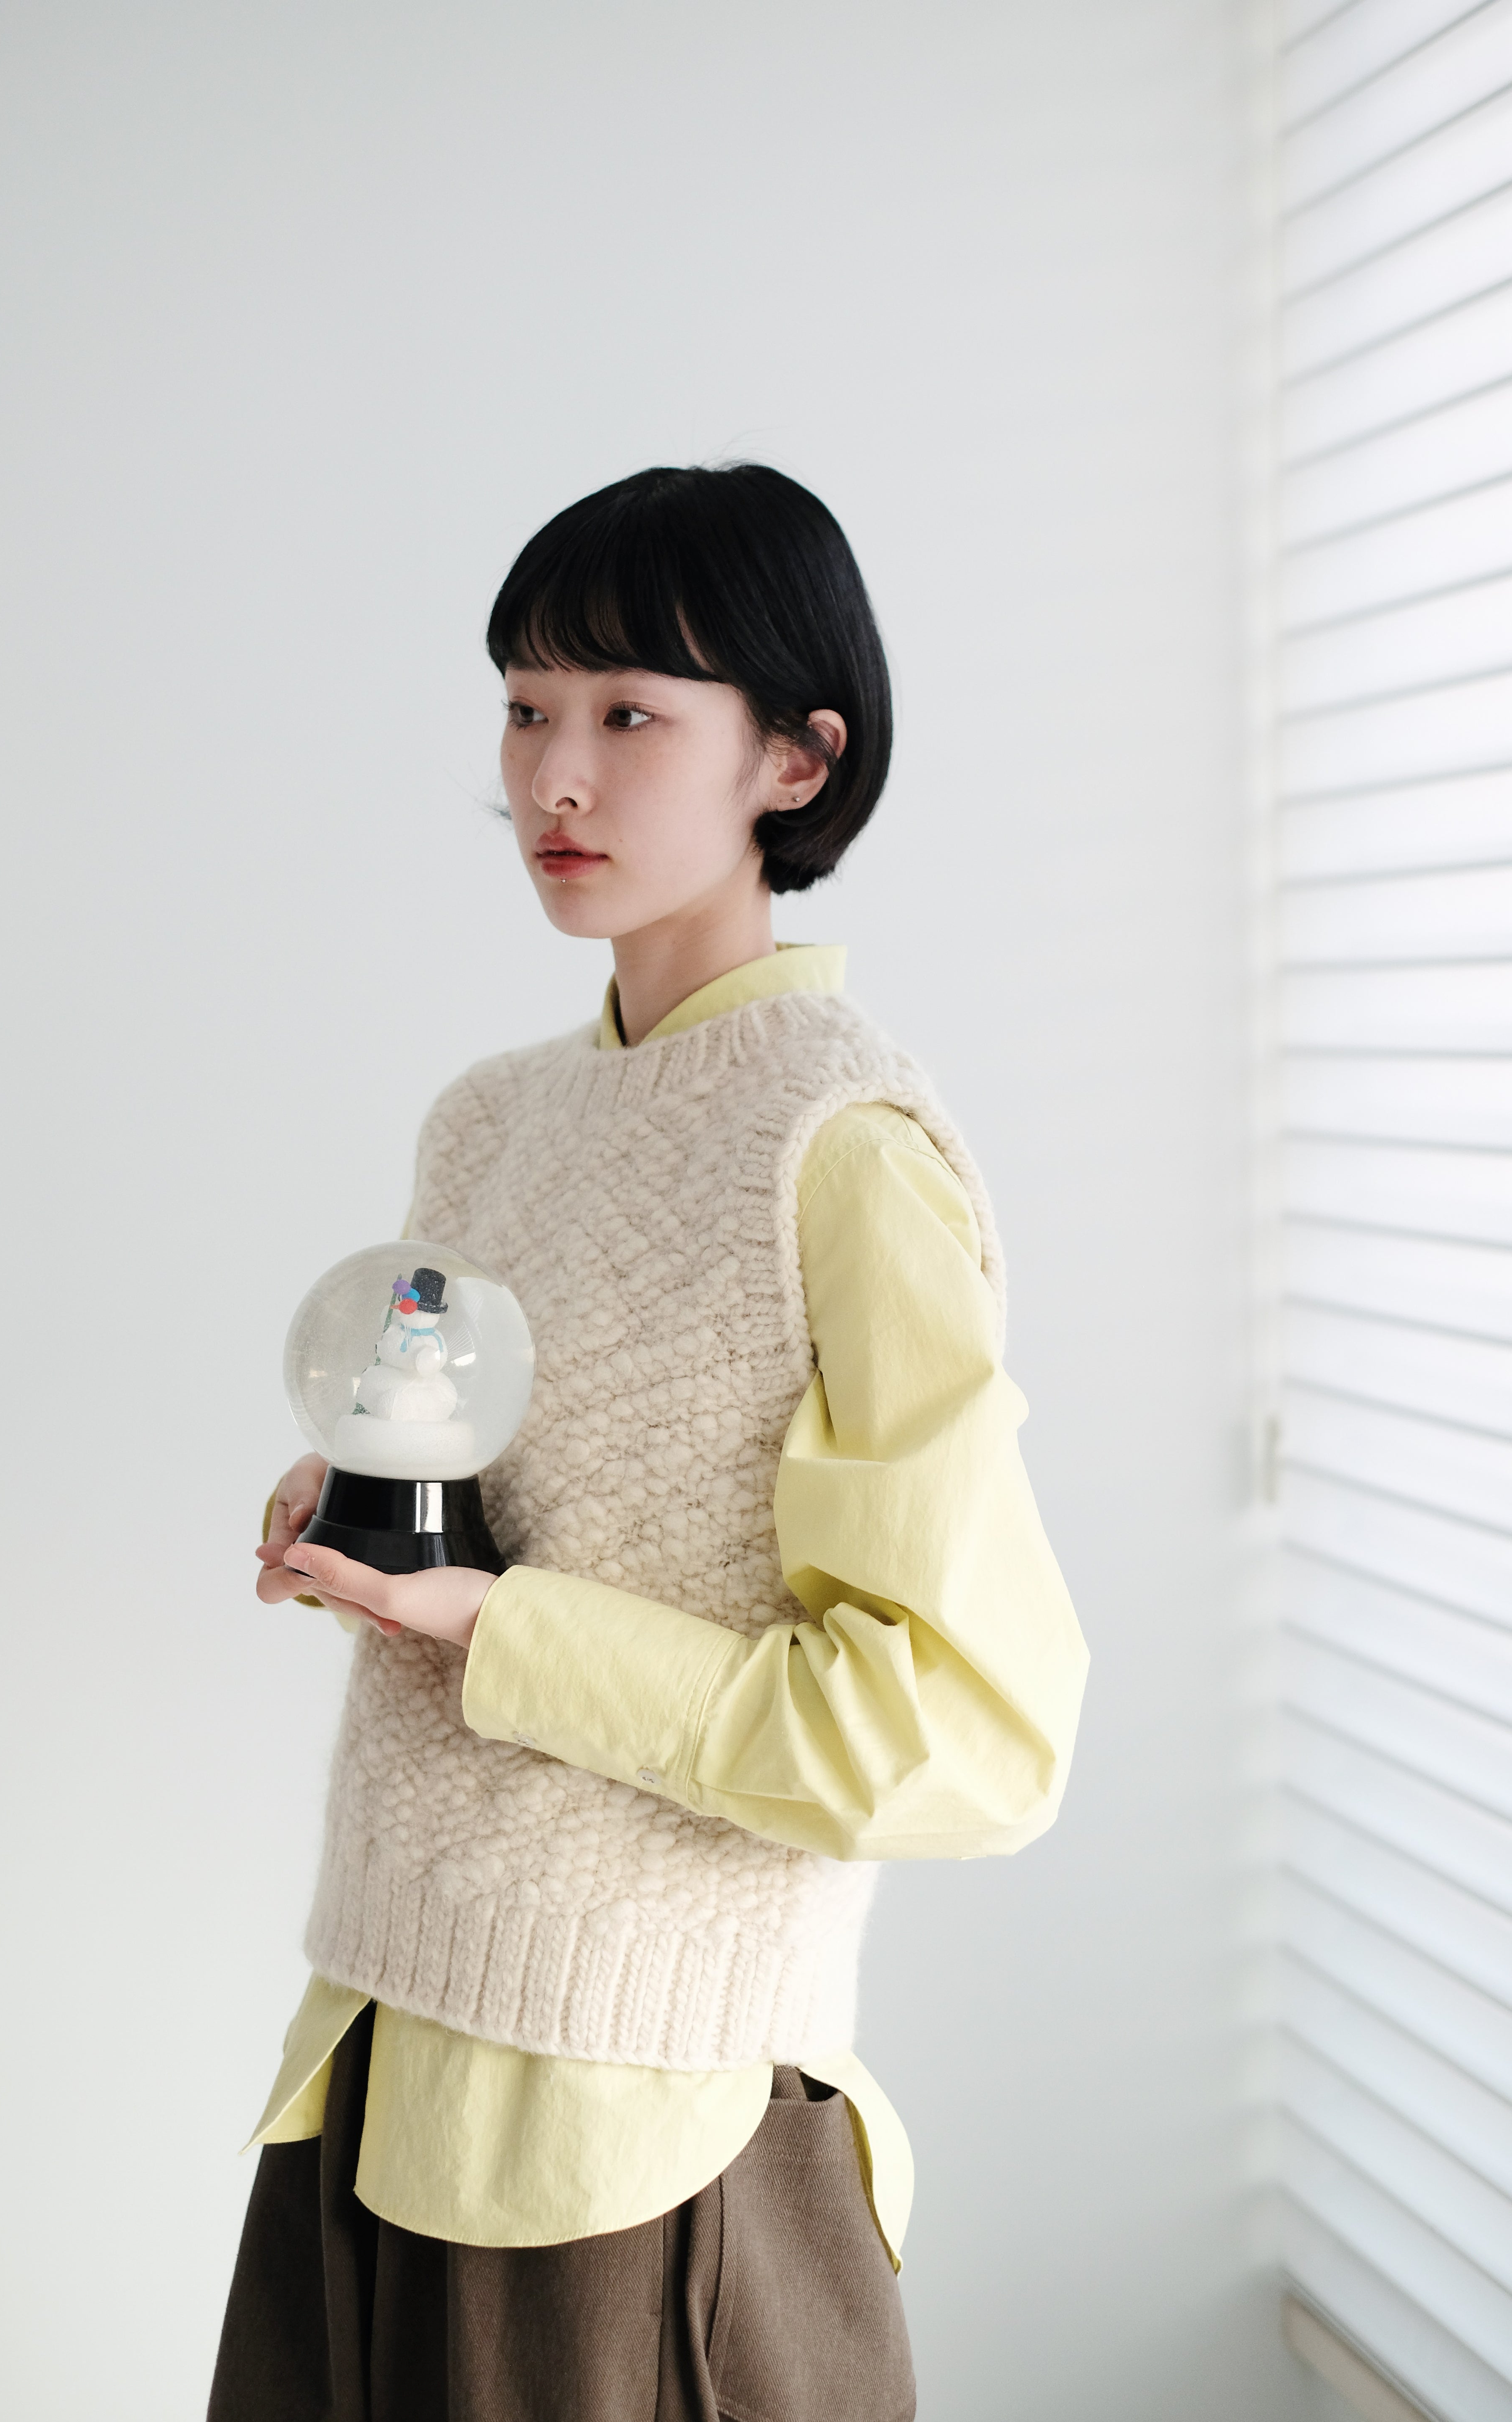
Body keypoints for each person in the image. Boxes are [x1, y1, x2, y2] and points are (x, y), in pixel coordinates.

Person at [210, 462, 1088, 2422]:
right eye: (526, 706)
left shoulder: (844, 1152)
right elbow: (524, 1502)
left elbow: (967, 1733)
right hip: (375, 2056)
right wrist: (368, 1521)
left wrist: (501, 1635)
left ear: (797, 758)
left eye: (628, 713)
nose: (555, 777)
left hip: (636, 2143)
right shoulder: (489, 1121)